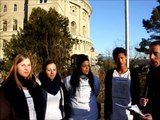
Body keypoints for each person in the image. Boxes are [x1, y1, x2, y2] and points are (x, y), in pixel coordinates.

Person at [0, 54, 44, 120]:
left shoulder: (35, 86)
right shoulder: (7, 88)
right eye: (23, 65)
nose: (26, 68)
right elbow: (3, 115)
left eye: (29, 65)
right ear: (16, 66)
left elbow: (40, 110)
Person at [104, 47, 140, 120]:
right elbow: (107, 93)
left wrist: (136, 112)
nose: (120, 61)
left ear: (126, 57)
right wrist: (106, 111)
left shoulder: (133, 74)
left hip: (128, 113)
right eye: (117, 58)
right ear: (114, 59)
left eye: (122, 58)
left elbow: (137, 93)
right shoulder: (110, 73)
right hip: (114, 112)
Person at [64, 54, 100, 120]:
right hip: (75, 116)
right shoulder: (69, 80)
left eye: (88, 65)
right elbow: (67, 95)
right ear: (78, 66)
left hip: (91, 115)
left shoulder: (94, 79)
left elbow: (96, 93)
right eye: (84, 66)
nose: (87, 68)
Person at [139, 40, 160, 120]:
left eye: (155, 54)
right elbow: (146, 94)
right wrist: (142, 101)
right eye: (150, 54)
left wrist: (154, 116)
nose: (151, 57)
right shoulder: (150, 74)